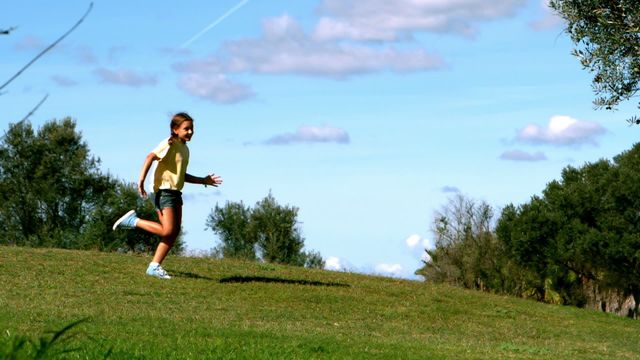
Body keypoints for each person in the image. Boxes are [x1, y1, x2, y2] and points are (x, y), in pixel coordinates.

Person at [112, 112, 222, 279]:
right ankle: (134, 221)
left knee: (174, 231)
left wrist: (203, 180)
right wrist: (140, 180)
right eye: (186, 129)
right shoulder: (169, 144)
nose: (190, 132)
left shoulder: (185, 149)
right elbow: (150, 156)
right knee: (167, 230)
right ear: (175, 129)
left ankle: (154, 267)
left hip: (175, 191)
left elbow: (180, 174)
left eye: (192, 129)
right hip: (163, 191)